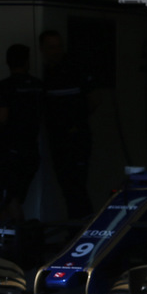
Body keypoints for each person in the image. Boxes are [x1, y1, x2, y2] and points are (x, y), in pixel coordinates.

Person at [39, 29, 96, 220]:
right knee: (67, 187)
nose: (56, 51)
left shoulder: (74, 69)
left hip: (77, 138)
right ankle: (76, 230)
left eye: (59, 47)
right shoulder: (46, 75)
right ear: (43, 50)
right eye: (51, 47)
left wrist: (76, 121)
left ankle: (83, 232)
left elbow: (94, 100)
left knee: (76, 186)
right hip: (58, 140)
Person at [0, 44, 43, 222]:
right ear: (27, 62)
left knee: (8, 199)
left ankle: (19, 242)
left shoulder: (5, 87)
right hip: (31, 151)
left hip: (10, 153)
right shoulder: (38, 86)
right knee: (13, 198)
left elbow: (2, 118)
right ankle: (15, 242)